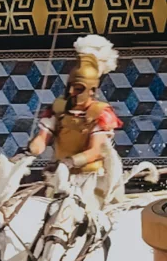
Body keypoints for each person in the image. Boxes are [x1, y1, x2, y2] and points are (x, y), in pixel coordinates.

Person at [29, 34, 121, 191]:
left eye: (78, 88)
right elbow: (42, 139)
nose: (72, 92)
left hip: (90, 180)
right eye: (71, 87)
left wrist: (69, 162)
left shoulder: (99, 113)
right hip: (59, 177)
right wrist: (28, 153)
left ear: (91, 90)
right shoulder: (59, 109)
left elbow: (95, 151)